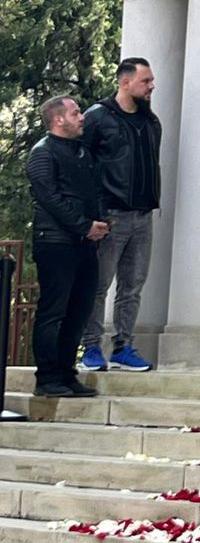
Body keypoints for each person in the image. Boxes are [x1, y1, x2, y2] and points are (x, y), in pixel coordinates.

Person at [78, 57, 161, 372]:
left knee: (133, 284)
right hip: (110, 214)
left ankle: (123, 346)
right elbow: (80, 166)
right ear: (125, 82)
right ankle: (90, 348)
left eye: (151, 81)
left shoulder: (150, 121)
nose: (151, 86)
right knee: (99, 284)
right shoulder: (98, 117)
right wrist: (93, 213)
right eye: (146, 81)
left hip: (143, 214)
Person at [27, 96, 109, 398]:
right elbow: (50, 198)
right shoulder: (42, 153)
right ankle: (47, 377)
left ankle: (66, 372)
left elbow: (91, 191)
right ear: (58, 119)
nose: (82, 117)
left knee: (79, 310)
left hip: (84, 243)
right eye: (76, 113)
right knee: (54, 311)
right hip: (56, 243)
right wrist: (84, 225)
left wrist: (100, 222)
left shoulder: (82, 152)